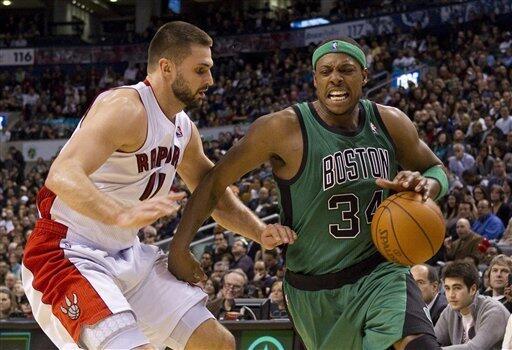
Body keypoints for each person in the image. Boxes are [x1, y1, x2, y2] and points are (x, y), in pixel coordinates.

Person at [21, 22, 294, 350]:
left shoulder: (184, 129)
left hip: (127, 254)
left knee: (217, 343)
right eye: (200, 70)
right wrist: (119, 213)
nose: (210, 80)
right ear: (166, 68)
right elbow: (62, 174)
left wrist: (258, 231)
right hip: (67, 252)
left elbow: (211, 192)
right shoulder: (125, 107)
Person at [169, 38, 450, 349]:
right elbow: (212, 182)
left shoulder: (389, 122)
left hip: (380, 273)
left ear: (365, 76)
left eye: (347, 69)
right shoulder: (281, 128)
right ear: (315, 80)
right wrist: (179, 247)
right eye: (326, 71)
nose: (336, 78)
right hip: (314, 289)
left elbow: (436, 169)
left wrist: (426, 186)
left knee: (421, 345)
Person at [435, 260, 509, 349]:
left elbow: (475, 348)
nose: (451, 295)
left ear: (473, 289)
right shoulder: (449, 310)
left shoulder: (494, 312)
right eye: (447, 288)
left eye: (457, 288)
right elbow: (433, 340)